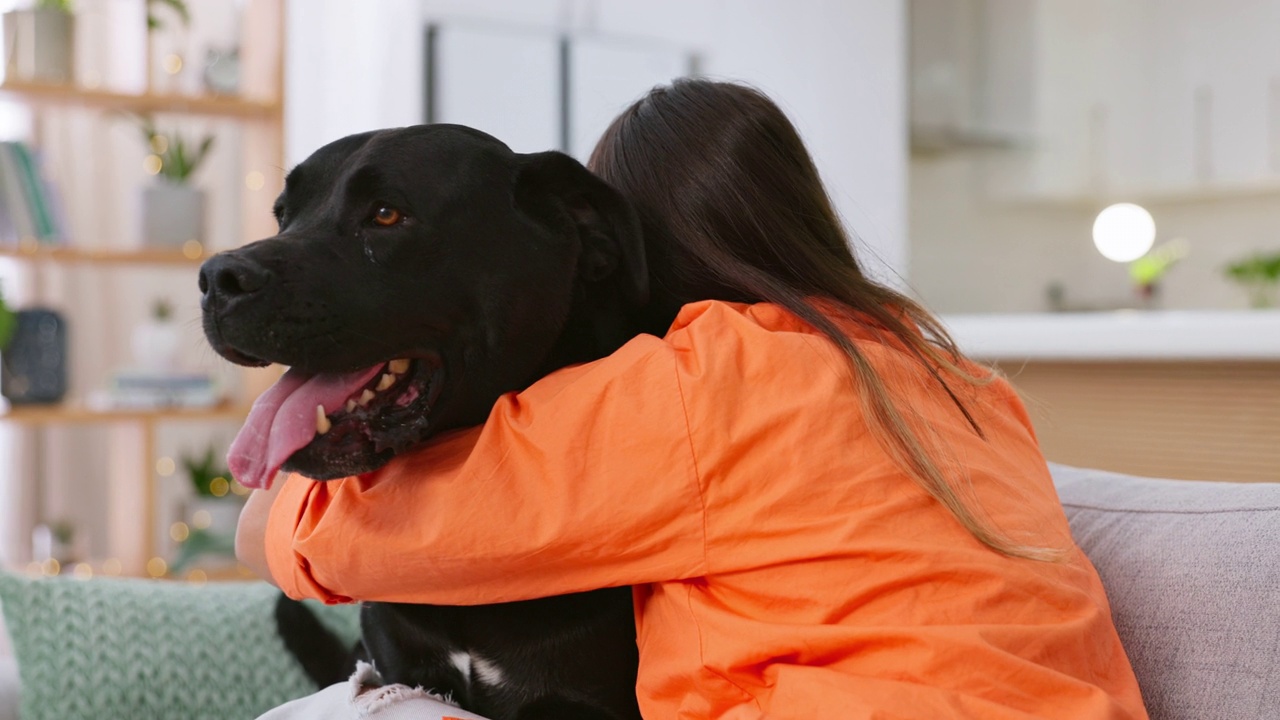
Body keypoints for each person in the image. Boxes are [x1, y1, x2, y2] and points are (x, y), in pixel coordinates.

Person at [239, 80, 1148, 719]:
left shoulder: (708, 378)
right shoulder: (962, 381)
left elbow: (342, 535)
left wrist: (272, 509)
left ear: (629, 248)